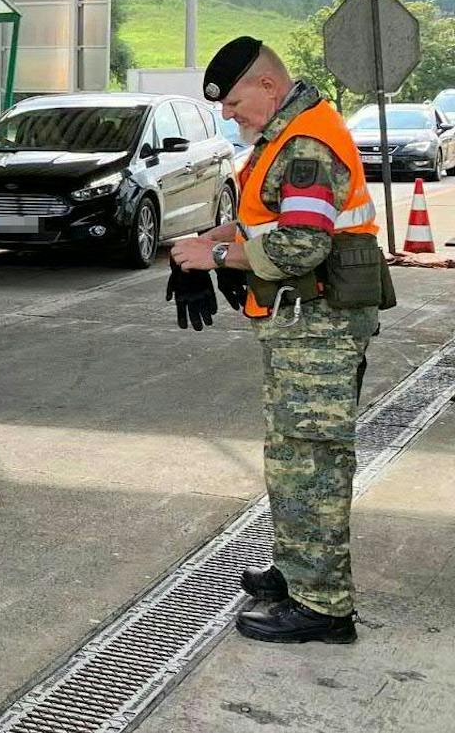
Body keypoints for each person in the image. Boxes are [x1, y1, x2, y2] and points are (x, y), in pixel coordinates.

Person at [170, 36, 391, 645]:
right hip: (301, 325)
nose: (229, 114)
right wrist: (198, 249)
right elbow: (259, 222)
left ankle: (324, 607)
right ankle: (299, 570)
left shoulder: (306, 145)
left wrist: (216, 255)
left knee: (313, 461)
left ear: (269, 87)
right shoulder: (281, 138)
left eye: (236, 102)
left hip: (319, 326)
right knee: (292, 455)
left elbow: (301, 244)